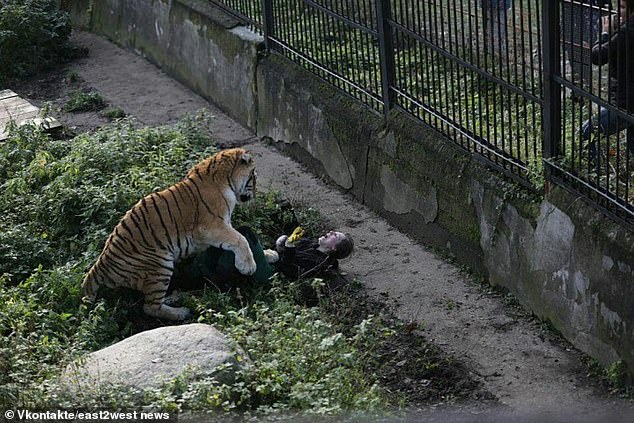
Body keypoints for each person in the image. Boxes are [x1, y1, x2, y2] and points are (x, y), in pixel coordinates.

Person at [170, 226, 354, 292]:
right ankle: (201, 272)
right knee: (233, 245)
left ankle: (213, 275)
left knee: (244, 234)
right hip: (270, 260)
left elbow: (292, 272)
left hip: (272, 276)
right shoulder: (310, 242)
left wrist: (288, 250)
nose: (328, 233)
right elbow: (281, 249)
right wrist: (282, 243)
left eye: (333, 236)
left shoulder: (319, 262)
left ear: (333, 248)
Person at [580, 0, 634, 158]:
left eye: (623, 8)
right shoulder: (625, 32)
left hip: (624, 103)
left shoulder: (627, 33)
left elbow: (597, 57)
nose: (618, 12)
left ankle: (591, 177)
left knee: (586, 132)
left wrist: (605, 33)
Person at [561, 0, 611, 91]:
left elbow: (607, 13)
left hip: (595, 34)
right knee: (579, 70)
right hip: (576, 36)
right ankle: (580, 94)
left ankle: (583, 92)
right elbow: (568, 18)